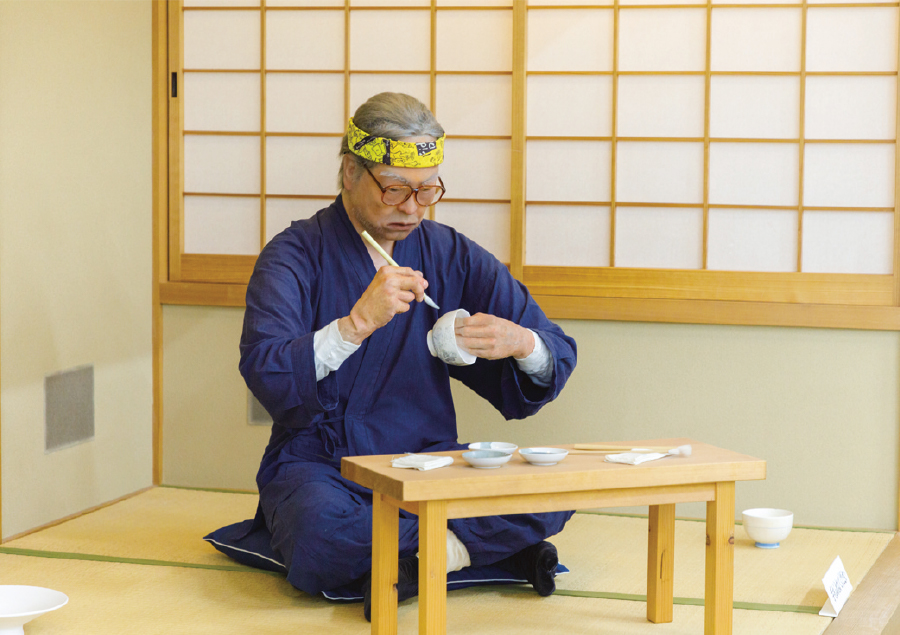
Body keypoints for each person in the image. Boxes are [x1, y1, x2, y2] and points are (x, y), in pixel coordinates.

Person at [239, 92, 578, 620]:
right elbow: (267, 367)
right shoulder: (294, 254)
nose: (412, 208)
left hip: (429, 460)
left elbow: (551, 345)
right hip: (324, 466)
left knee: (551, 486)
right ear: (350, 172)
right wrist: (356, 325)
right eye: (395, 189)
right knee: (318, 534)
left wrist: (521, 344)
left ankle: (416, 562)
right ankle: (467, 549)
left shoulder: (449, 252)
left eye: (426, 191)